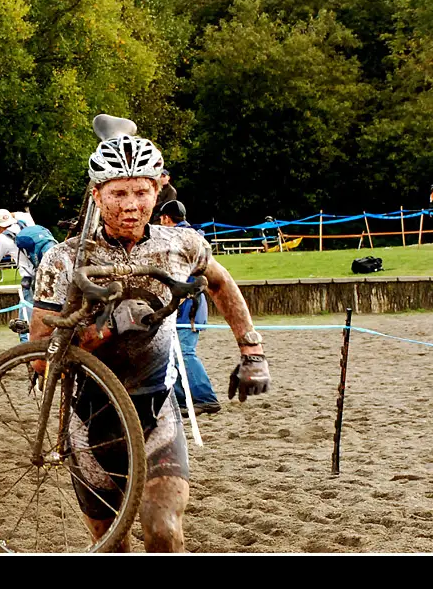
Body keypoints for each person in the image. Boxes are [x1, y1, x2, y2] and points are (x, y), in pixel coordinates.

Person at [29, 130, 270, 553]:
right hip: (90, 419)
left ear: (159, 188)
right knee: (111, 544)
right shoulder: (64, 259)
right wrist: (91, 333)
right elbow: (39, 358)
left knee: (163, 533)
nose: (130, 206)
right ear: (96, 194)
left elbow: (220, 281)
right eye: (118, 192)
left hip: (157, 410)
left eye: (141, 192)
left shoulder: (181, 244)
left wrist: (251, 351)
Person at [158, 200, 221, 416]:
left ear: (167, 219)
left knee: (184, 353)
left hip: (188, 307)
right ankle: (181, 400)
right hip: (187, 305)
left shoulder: (179, 240)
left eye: (161, 219)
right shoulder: (194, 238)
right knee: (171, 354)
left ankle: (205, 397)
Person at [0, 209, 35, 342]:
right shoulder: (25, 223)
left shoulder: (2, 238)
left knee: (24, 321)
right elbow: (22, 214)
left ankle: (28, 352)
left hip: (31, 281)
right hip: (46, 275)